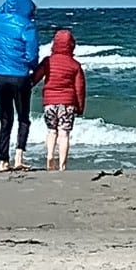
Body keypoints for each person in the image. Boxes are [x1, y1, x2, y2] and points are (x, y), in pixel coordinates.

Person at [0, 0, 39, 171]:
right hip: (20, 76)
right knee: (23, 118)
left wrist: (8, 4)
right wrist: (33, 68)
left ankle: (3, 160)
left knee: (5, 118)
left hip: (1, 76)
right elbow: (32, 54)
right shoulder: (27, 26)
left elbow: (0, 10)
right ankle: (19, 156)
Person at [31, 29, 86, 171]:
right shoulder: (75, 65)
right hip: (67, 103)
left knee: (51, 131)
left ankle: (50, 156)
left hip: (49, 102)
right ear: (71, 45)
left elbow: (35, 78)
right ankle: (62, 165)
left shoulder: (47, 62)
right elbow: (79, 89)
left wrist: (25, 87)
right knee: (64, 133)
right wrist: (80, 108)